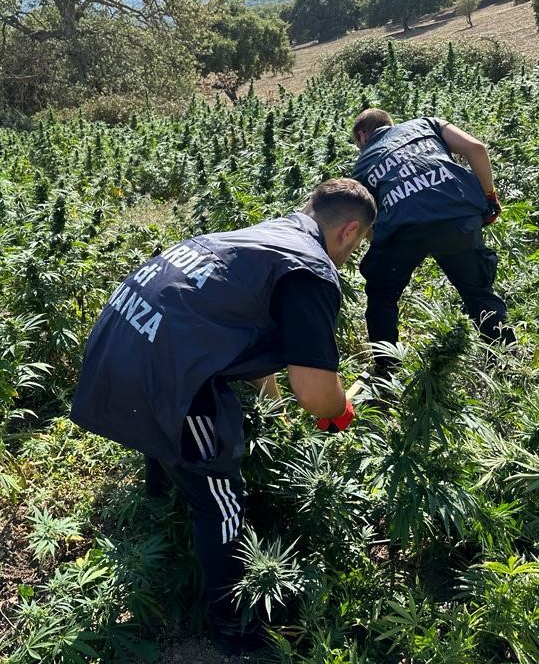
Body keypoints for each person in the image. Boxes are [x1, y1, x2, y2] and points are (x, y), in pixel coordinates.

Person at [71, 179, 376, 654]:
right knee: (218, 493)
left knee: (166, 436)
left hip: (121, 341)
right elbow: (317, 395)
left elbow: (241, 330)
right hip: (165, 371)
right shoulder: (312, 271)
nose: (349, 257)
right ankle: (233, 628)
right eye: (356, 247)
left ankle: (158, 504)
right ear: (349, 231)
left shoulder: (270, 238)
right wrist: (340, 410)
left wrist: (272, 404)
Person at [349, 109, 514, 370]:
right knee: (477, 291)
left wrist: (388, 253)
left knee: (382, 297)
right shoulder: (427, 124)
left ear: (362, 136)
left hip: (404, 232)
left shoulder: (362, 166)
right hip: (455, 217)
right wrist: (489, 197)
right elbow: (476, 148)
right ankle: (505, 362)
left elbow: (368, 223)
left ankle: (387, 372)